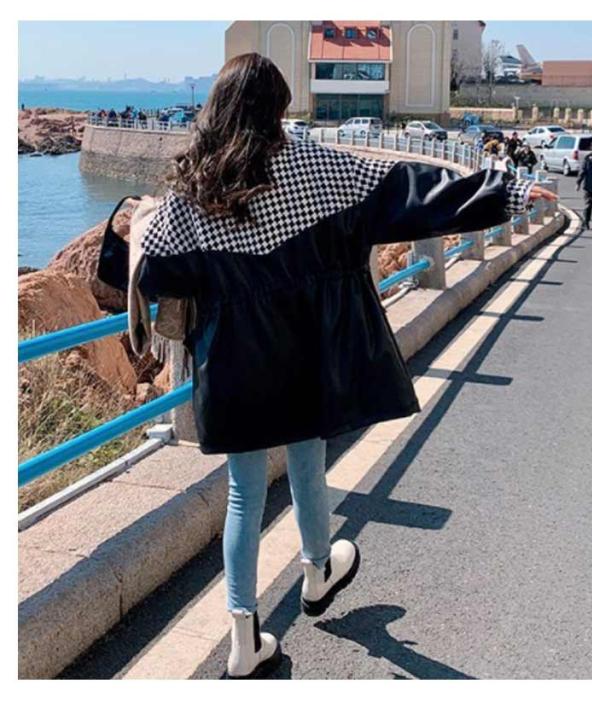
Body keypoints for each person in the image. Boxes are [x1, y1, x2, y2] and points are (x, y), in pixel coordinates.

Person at [129, 53, 556, 679]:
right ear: (278, 107)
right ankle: (318, 569)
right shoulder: (319, 165)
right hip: (308, 352)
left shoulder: (191, 189)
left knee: (245, 494)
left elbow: (154, 273)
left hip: (233, 363)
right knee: (308, 459)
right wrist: (507, 190)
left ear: (216, 107)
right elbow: (410, 190)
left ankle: (244, 639)